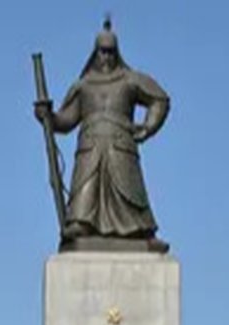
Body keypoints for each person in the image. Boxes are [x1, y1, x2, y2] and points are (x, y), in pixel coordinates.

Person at [35, 18, 170, 246]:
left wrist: (148, 127)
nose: (106, 57)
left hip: (121, 145)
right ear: (95, 53)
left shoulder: (130, 79)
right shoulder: (84, 85)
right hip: (89, 147)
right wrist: (49, 117)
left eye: (110, 52)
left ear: (116, 53)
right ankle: (81, 223)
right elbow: (68, 119)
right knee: (84, 195)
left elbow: (160, 99)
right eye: (102, 52)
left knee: (130, 192)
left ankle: (141, 232)